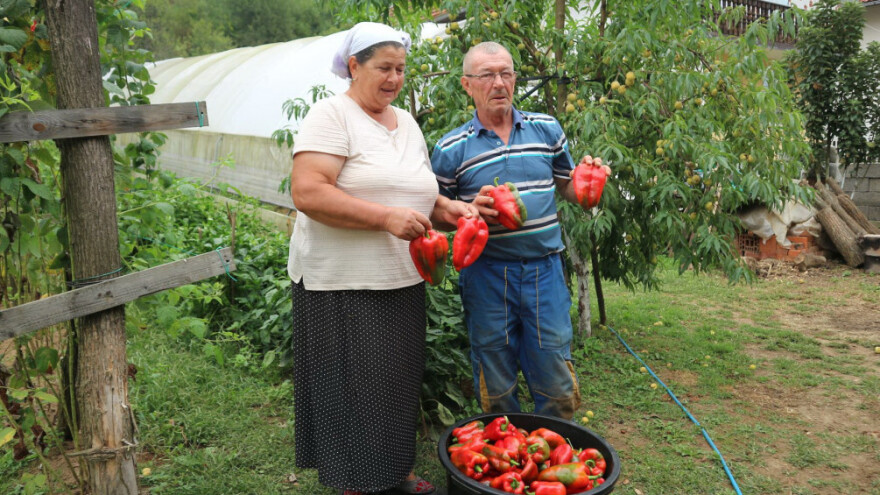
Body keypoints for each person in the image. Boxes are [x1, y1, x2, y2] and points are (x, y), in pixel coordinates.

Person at [288, 22, 477, 495]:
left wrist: (445, 208)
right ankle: (355, 482)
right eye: (383, 68)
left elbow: (409, 187)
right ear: (354, 66)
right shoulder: (330, 115)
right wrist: (385, 219)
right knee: (352, 387)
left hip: (401, 277)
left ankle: (395, 473)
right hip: (341, 282)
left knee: (396, 383)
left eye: (401, 69)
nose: (394, 78)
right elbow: (308, 191)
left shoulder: (405, 121)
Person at [431, 42, 584, 420]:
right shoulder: (451, 148)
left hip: (544, 269)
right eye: (487, 75)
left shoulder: (546, 129)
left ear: (515, 79)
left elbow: (569, 185)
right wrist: (469, 210)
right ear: (468, 85)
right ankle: (503, 456)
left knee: (554, 366)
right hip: (486, 274)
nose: (499, 83)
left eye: (506, 73)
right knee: (494, 372)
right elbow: (435, 214)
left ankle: (553, 450)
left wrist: (591, 179)